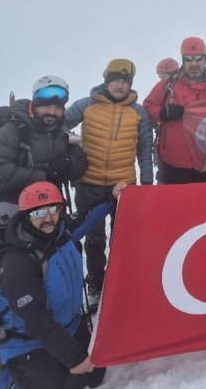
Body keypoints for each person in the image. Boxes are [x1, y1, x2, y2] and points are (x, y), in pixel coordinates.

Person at [0, 180, 126, 389]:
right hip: (28, 341)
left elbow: (88, 218)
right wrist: (75, 357)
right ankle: (7, 376)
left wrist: (111, 197)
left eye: (53, 209)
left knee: (95, 374)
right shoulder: (18, 264)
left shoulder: (62, 231)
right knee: (61, 383)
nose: (47, 218)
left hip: (69, 325)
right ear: (25, 215)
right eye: (38, 213)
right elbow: (37, 322)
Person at [64, 58, 154, 311]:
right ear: (106, 81)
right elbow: (57, 128)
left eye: (125, 82)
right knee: (94, 240)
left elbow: (145, 150)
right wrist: (71, 150)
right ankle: (96, 285)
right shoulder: (86, 105)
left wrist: (146, 184)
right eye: (115, 80)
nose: (120, 85)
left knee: (122, 238)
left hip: (123, 186)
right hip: (88, 184)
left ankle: (122, 284)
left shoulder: (138, 112)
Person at [0, 76, 88, 203]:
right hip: (12, 209)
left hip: (51, 209)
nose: (52, 112)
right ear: (33, 106)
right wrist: (43, 175)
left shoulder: (61, 133)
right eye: (47, 106)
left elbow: (80, 163)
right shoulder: (14, 130)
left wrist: (69, 163)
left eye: (58, 108)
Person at [143, 37, 206, 184]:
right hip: (173, 164)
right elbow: (147, 108)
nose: (194, 63)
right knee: (175, 207)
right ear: (183, 60)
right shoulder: (166, 85)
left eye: (199, 58)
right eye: (189, 59)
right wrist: (163, 113)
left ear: (205, 60)